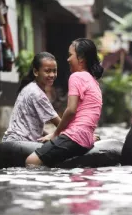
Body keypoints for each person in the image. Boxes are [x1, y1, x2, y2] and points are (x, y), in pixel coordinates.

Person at [25, 38, 104, 167]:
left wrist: (55, 135)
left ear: (81, 58)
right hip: (87, 138)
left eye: (70, 55)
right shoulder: (93, 81)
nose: (67, 59)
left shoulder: (76, 77)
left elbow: (71, 110)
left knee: (31, 161)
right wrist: (56, 134)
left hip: (75, 137)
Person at [2, 52, 60, 142]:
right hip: (19, 143)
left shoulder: (29, 87)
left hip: (10, 140)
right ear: (36, 72)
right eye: (48, 71)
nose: (52, 75)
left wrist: (49, 135)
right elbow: (60, 125)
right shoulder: (37, 94)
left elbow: (32, 127)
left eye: (54, 71)